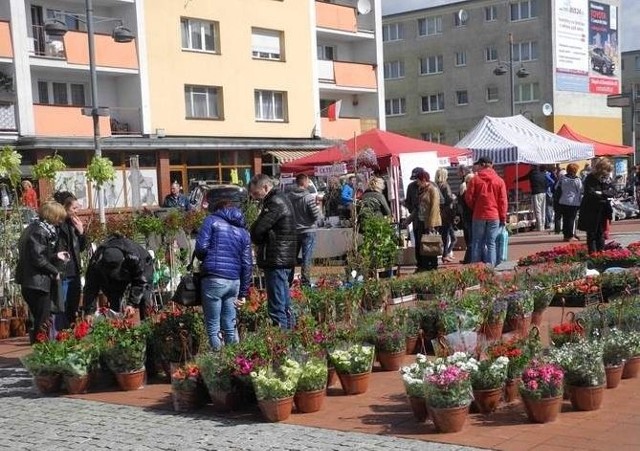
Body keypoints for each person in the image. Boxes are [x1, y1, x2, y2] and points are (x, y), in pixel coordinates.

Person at [195, 200, 252, 351]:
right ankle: (235, 362)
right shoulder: (243, 232)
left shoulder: (211, 220)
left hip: (214, 277)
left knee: (213, 325)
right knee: (230, 323)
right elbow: (247, 264)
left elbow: (201, 248)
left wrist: (206, 258)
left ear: (219, 209)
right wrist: (243, 293)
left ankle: (219, 365)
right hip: (234, 281)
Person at [15, 200, 67, 343]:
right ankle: (41, 352)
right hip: (37, 283)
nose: (60, 222)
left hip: (30, 281)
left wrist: (55, 256)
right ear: (52, 216)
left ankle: (40, 350)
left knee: (39, 318)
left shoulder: (33, 228)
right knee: (42, 320)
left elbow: (37, 254)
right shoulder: (39, 231)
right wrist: (54, 270)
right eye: (59, 218)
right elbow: (37, 258)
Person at [249, 174, 297, 329]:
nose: (256, 198)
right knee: (284, 305)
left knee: (277, 307)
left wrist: (256, 234)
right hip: (282, 257)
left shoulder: (274, 202)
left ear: (265, 187)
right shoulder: (281, 198)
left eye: (256, 194)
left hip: (277, 258)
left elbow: (258, 230)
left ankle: (282, 345)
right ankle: (291, 341)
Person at [83, 234, 154, 319]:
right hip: (114, 277)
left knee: (144, 298)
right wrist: (89, 311)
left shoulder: (134, 257)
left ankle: (147, 324)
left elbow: (141, 281)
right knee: (114, 299)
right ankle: (117, 325)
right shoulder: (96, 261)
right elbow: (90, 286)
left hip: (143, 267)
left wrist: (132, 304)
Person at [465, 156, 508, 267]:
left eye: (478, 165)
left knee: (477, 242)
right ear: (491, 164)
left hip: (479, 214)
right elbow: (503, 201)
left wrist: (475, 207)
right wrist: (503, 217)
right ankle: (491, 267)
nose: (477, 167)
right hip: (494, 215)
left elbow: (468, 197)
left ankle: (476, 268)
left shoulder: (475, 179)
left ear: (483, 165)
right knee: (491, 243)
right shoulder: (499, 180)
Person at [52, 191, 87, 329]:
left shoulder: (74, 223)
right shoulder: (56, 224)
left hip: (74, 270)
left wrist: (81, 232)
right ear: (65, 208)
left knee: (73, 304)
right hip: (63, 270)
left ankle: (71, 332)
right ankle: (61, 332)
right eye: (74, 208)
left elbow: (82, 247)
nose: (77, 211)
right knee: (63, 304)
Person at [288, 174, 321, 287]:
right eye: (308, 181)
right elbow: (315, 215)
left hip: (294, 230)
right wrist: (317, 207)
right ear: (304, 182)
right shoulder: (308, 197)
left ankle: (288, 280)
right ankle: (305, 282)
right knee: (307, 257)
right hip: (308, 230)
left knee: (292, 257)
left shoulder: (289, 197)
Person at [577, 158, 616, 254]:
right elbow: (590, 193)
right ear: (602, 169)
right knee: (592, 233)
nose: (608, 173)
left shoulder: (607, 179)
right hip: (591, 209)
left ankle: (601, 252)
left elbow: (613, 191)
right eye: (607, 170)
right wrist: (604, 194)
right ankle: (593, 253)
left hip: (603, 209)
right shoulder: (590, 178)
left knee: (601, 232)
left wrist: (601, 193)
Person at [407, 171, 441, 271]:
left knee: (431, 245)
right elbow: (417, 208)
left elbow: (435, 207)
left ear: (423, 180)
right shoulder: (421, 190)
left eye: (418, 180)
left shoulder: (432, 189)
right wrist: (408, 220)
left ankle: (433, 266)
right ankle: (424, 266)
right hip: (421, 222)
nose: (417, 182)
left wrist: (431, 224)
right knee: (423, 245)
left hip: (430, 222)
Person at [404, 167, 424, 270]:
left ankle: (429, 264)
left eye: (417, 179)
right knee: (417, 242)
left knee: (428, 242)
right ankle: (419, 264)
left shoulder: (431, 186)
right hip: (416, 220)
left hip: (427, 220)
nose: (416, 181)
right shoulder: (411, 187)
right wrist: (409, 207)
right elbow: (408, 202)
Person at [557, 163, 583, 242]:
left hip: (563, 201)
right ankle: (571, 236)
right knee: (571, 219)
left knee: (565, 219)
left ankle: (566, 235)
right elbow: (581, 190)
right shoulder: (577, 180)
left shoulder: (562, 178)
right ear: (575, 170)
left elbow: (556, 187)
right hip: (573, 202)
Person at [435, 168, 456, 263]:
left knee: (445, 235)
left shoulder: (435, 186)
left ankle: (446, 254)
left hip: (439, 213)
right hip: (447, 214)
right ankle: (445, 254)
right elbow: (449, 198)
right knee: (448, 236)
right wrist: (453, 198)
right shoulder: (445, 186)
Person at [523, 165, 548, 231]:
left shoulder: (532, 174)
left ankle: (539, 227)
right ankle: (543, 225)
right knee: (543, 210)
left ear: (533, 167)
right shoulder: (543, 174)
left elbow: (525, 177)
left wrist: (516, 180)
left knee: (537, 210)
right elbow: (546, 183)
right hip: (543, 193)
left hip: (536, 193)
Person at [458, 171, 475, 264]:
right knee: (471, 239)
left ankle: (468, 258)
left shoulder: (463, 191)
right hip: (470, 217)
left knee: (469, 239)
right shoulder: (467, 192)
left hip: (465, 217)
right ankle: (469, 259)